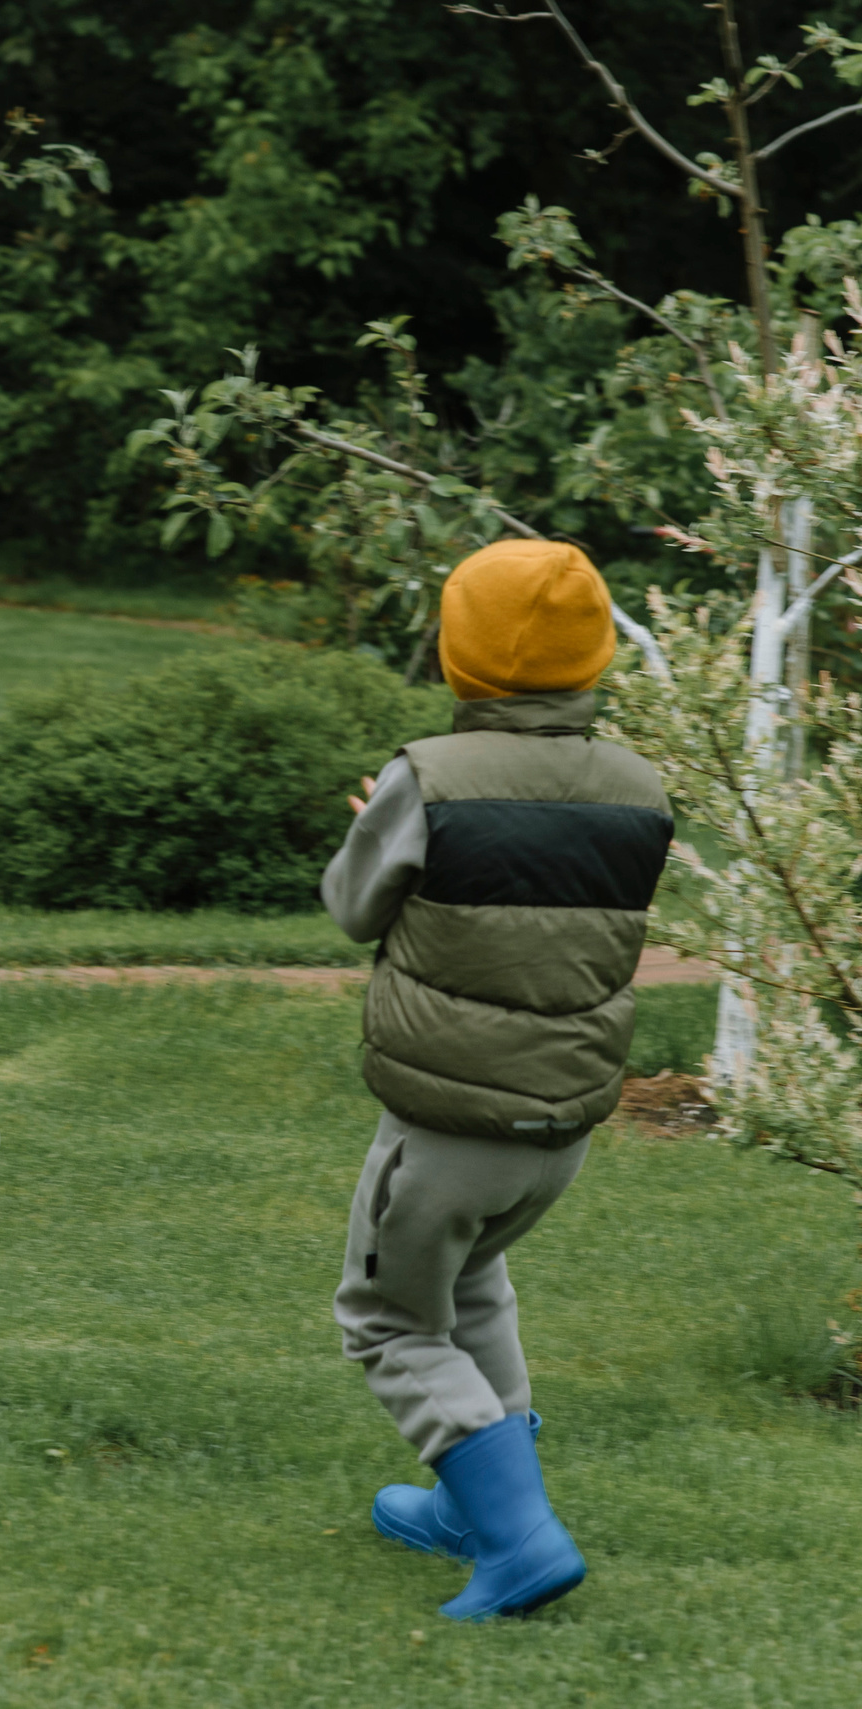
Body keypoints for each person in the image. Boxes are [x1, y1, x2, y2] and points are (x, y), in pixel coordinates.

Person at [320, 538, 671, 1622]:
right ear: (596, 656)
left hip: (442, 1124)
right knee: (471, 1286)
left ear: (457, 655)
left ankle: (517, 1537)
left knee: (387, 1315)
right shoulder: (640, 789)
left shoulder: (425, 777)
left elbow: (353, 907)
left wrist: (371, 821)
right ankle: (472, 1509)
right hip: (558, 1126)